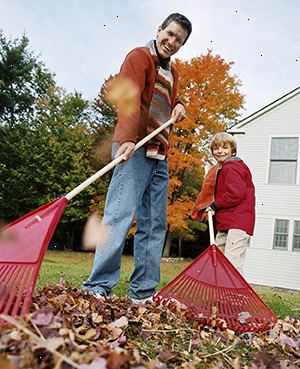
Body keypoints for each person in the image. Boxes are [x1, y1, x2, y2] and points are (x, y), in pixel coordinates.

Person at [82, 13, 192, 302]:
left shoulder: (173, 72)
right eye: (169, 34)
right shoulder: (139, 57)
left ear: (182, 45)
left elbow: (171, 97)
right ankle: (98, 286)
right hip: (135, 146)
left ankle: (142, 291)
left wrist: (179, 103)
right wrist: (128, 140)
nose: (171, 41)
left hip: (160, 153)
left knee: (154, 224)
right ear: (159, 30)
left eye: (178, 40)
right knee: (118, 217)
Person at [192, 132, 255, 275]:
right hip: (227, 222)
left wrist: (215, 205)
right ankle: (220, 292)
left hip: (238, 221)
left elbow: (236, 193)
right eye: (216, 148)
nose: (220, 151)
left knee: (232, 260)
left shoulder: (232, 167)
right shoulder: (223, 167)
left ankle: (236, 295)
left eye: (225, 147)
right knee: (218, 257)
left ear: (233, 151)